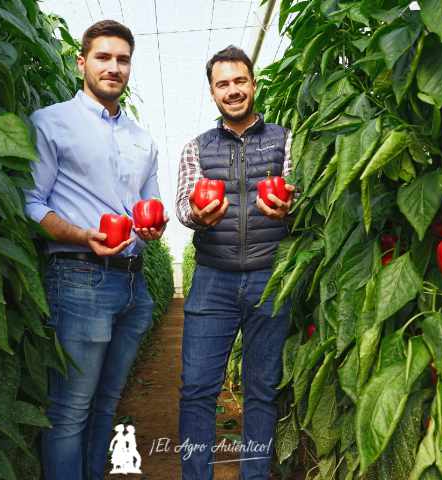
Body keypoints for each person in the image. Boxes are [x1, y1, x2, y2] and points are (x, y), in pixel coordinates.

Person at [24, 19, 167, 480]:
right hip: (79, 277)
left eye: (123, 59)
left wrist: (154, 227)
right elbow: (30, 203)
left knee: (107, 403)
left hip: (132, 284)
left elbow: (152, 205)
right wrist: (82, 235)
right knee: (69, 411)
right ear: (82, 62)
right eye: (103, 57)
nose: (114, 67)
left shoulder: (142, 139)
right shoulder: (51, 122)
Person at [175, 45, 295, 480]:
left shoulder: (284, 139)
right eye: (223, 84)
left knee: (261, 391)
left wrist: (289, 209)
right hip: (213, 279)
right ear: (213, 93)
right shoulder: (196, 148)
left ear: (253, 84)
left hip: (269, 276)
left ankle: (254, 475)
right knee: (197, 390)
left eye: (239, 81)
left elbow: (296, 194)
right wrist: (197, 216)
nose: (233, 90)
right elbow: (184, 206)